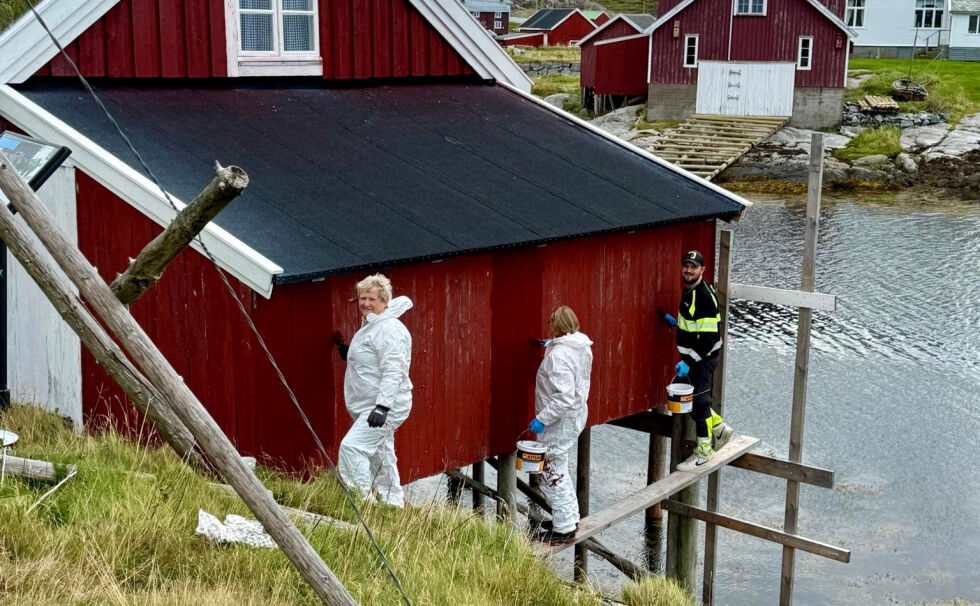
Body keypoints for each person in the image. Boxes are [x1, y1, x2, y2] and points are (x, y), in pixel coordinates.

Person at [334, 273, 413, 507]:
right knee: (382, 455)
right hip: (369, 404)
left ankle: (361, 500)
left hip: (383, 406)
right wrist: (351, 355)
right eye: (362, 298)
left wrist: (382, 407)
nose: (366, 303)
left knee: (352, 447)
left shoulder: (390, 329)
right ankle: (393, 503)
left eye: (372, 299)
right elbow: (373, 360)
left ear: (385, 301)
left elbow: (394, 370)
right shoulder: (373, 325)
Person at [527, 305, 593, 545]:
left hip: (559, 422)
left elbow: (564, 397)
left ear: (556, 324)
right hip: (575, 416)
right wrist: (551, 345)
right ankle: (569, 517)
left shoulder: (558, 356)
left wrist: (541, 419)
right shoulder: (582, 347)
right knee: (560, 467)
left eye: (551, 321)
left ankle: (563, 528)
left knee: (550, 472)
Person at [663, 250, 734, 472]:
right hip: (696, 358)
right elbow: (696, 324)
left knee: (700, 405)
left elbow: (709, 339)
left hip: (703, 359)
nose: (688, 270)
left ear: (702, 270)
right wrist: (678, 325)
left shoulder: (702, 296)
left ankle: (704, 452)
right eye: (686, 265)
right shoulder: (690, 291)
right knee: (696, 401)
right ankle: (720, 429)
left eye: (694, 267)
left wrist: (689, 362)